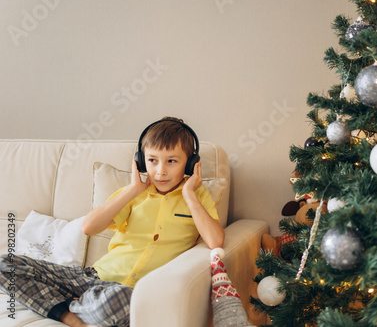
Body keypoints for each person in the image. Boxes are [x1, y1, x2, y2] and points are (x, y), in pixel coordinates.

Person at [0, 117, 225, 327]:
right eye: (152, 161)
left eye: (172, 161)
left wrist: (189, 194)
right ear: (141, 161)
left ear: (190, 164)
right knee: (5, 264)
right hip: (93, 276)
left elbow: (215, 240)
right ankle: (71, 313)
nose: (160, 171)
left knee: (122, 301)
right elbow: (88, 227)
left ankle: (69, 304)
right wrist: (133, 190)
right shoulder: (131, 194)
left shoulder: (197, 196)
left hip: (128, 292)